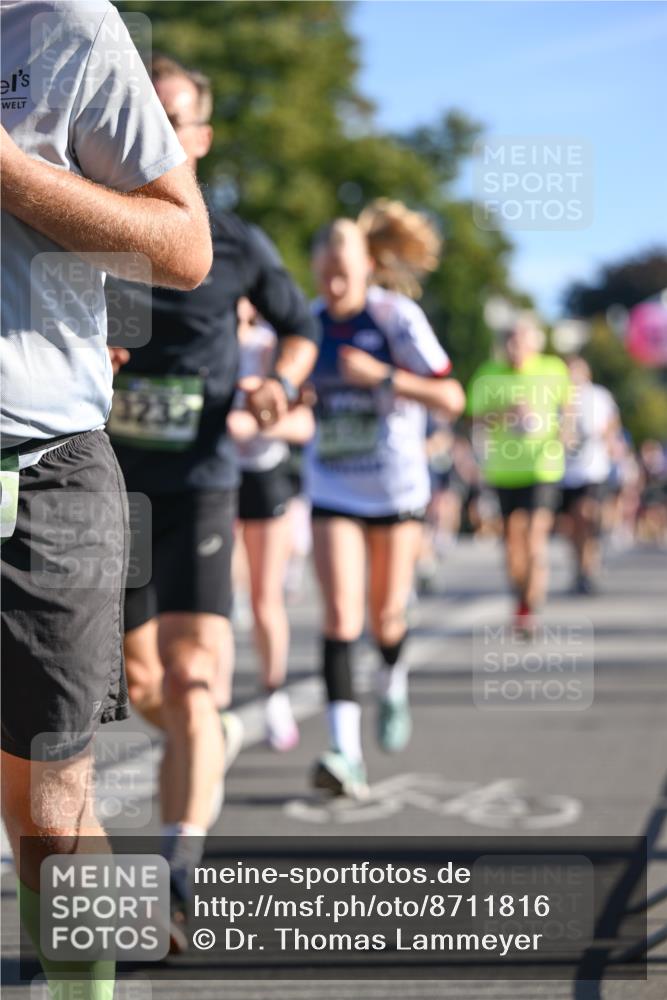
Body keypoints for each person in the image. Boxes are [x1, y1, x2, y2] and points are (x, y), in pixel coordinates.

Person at [0, 2, 212, 997]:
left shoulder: (64, 27)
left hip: (40, 466)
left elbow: (180, 246)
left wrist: (5, 168)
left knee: (47, 812)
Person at [105, 55, 319, 947]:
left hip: (200, 483)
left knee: (194, 683)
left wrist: (281, 388)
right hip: (111, 485)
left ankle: (174, 879)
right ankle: (207, 739)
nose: (154, 129)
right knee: (142, 684)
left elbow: (300, 326)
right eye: (139, 113)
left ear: (199, 136)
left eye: (172, 115)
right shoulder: (91, 225)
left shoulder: (233, 241)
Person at [304, 202, 465, 798]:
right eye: (325, 272)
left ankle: (392, 682)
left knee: (385, 616)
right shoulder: (309, 323)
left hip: (396, 488)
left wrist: (383, 378)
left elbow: (451, 397)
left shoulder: (397, 318)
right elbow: (291, 398)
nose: (335, 282)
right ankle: (345, 752)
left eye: (344, 269)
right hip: (333, 486)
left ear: (369, 265)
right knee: (341, 617)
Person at [227, 298, 315, 750]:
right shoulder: (207, 340)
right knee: (216, 601)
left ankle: (273, 694)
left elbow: (304, 425)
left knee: (265, 599)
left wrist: (256, 426)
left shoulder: (274, 347)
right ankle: (212, 708)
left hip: (265, 475)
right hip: (215, 475)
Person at [467, 316, 572, 630]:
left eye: (521, 338)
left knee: (533, 535)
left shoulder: (553, 369)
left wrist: (565, 434)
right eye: (509, 338)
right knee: (513, 542)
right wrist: (504, 413)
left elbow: (567, 412)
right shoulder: (488, 374)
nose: (515, 345)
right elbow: (473, 421)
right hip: (504, 470)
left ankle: (531, 602)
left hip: (543, 467)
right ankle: (522, 598)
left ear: (534, 342)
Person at [558, 356, 619, 593]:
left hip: (593, 468)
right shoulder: (557, 397)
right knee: (570, 525)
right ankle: (580, 567)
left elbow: (612, 422)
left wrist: (609, 438)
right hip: (564, 471)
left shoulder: (598, 396)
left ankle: (588, 568)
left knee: (586, 515)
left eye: (577, 370)